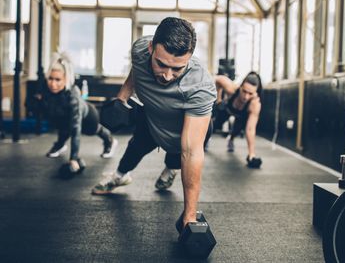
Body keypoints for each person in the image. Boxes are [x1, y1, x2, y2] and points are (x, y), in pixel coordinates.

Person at [91, 17, 216, 228]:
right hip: (152, 116)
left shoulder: (200, 87)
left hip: (183, 125)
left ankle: (170, 169)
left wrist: (190, 216)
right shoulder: (140, 49)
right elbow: (137, 71)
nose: (167, 76)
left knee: (181, 151)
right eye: (161, 64)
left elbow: (192, 152)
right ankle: (120, 176)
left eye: (177, 69)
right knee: (137, 144)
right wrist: (122, 97)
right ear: (151, 49)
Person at [40, 52, 118, 172]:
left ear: (66, 79)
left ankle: (110, 141)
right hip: (66, 116)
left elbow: (76, 129)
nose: (53, 84)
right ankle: (60, 145)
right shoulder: (48, 90)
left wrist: (74, 158)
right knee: (63, 121)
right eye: (50, 78)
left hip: (89, 117)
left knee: (93, 129)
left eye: (58, 80)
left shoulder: (72, 94)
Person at [212, 71, 263, 168]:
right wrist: (218, 100)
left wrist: (251, 154)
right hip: (227, 109)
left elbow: (250, 129)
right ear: (240, 86)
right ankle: (206, 141)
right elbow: (217, 79)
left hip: (241, 115)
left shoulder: (255, 104)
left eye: (250, 93)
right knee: (213, 125)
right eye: (244, 91)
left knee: (237, 130)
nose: (246, 96)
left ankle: (231, 139)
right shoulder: (231, 88)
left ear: (256, 92)